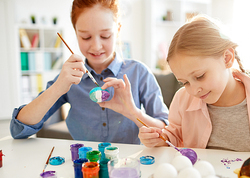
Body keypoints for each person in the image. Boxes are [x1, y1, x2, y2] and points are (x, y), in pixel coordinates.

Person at [10, 0, 168, 144]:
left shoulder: (139, 73)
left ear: (118, 29)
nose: (96, 46)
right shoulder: (68, 78)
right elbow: (18, 130)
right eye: (86, 37)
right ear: (76, 32)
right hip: (85, 168)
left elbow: (167, 132)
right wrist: (58, 87)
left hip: (128, 168)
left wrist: (133, 112)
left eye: (105, 36)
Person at [138, 15, 250, 152]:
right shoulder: (181, 100)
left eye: (199, 76)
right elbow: (173, 137)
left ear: (227, 58)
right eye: (184, 82)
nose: (194, 90)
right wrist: (159, 139)